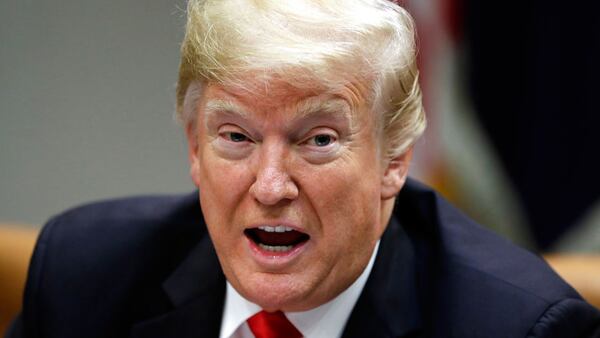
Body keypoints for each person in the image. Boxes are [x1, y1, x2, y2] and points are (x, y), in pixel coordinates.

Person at [6, 0, 600, 337]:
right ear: (193, 146)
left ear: (394, 159)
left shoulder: (517, 331)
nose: (269, 186)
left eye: (317, 140)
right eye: (235, 136)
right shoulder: (80, 273)